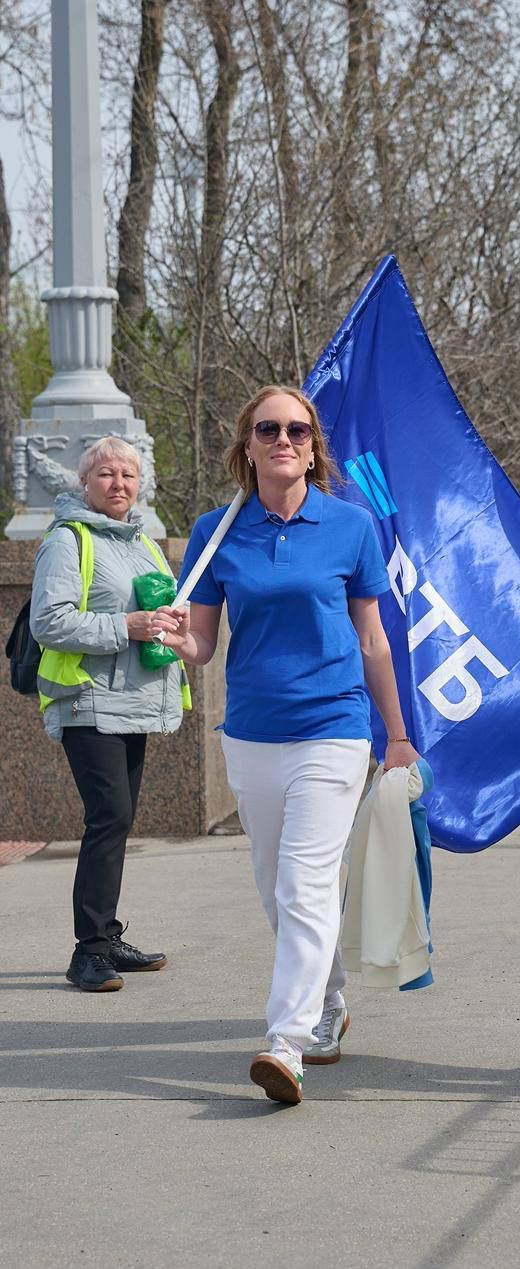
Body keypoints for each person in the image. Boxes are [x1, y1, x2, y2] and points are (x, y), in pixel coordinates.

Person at [153, 385, 418, 1106]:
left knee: (305, 884)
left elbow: (372, 639)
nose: (283, 440)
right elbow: (202, 644)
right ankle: (327, 1002)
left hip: (333, 729)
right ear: (247, 445)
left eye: (297, 431)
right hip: (251, 733)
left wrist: (396, 735)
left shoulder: (349, 526)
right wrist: (176, 640)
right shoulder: (216, 531)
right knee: (280, 889)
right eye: (268, 429)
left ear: (312, 447)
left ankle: (286, 1043)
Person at [30, 436, 188, 993]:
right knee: (109, 817)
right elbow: (48, 622)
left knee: (117, 821)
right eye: (105, 474)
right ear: (84, 482)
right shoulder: (67, 540)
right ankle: (89, 950)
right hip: (87, 701)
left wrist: (170, 620)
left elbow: (156, 608)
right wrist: (127, 626)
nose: (118, 484)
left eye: (127, 475)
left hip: (134, 700)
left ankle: (107, 935)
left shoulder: (142, 542)